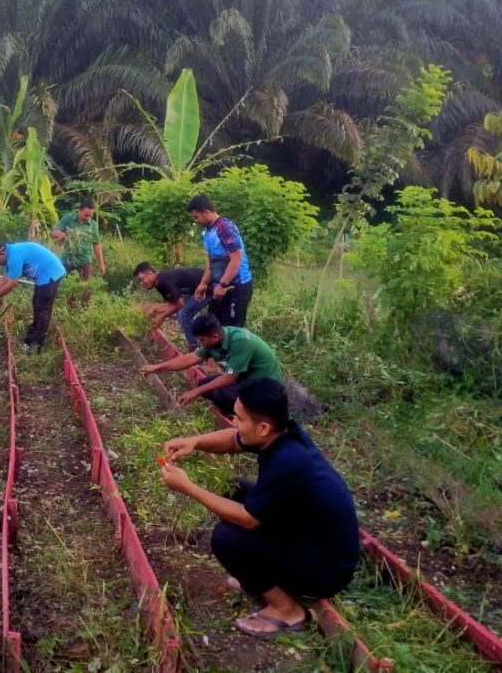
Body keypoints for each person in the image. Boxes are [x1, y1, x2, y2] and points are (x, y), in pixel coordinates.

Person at [159, 378, 359, 639]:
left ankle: (287, 610)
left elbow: (249, 520)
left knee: (226, 538)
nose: (234, 422)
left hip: (325, 569)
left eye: (239, 418)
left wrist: (189, 487)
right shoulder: (283, 433)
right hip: (308, 534)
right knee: (236, 489)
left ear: (263, 427)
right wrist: (194, 441)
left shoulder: (287, 462)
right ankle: (263, 578)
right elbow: (234, 440)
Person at [142, 313, 283, 413]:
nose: (199, 343)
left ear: (215, 336)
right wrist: (157, 367)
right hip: (243, 377)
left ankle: (249, 412)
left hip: (264, 383)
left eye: (202, 340)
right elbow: (189, 359)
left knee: (222, 396)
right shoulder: (213, 342)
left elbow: (229, 378)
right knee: (204, 385)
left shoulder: (241, 341)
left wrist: (195, 392)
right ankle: (238, 405)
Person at [0, 240, 66, 353]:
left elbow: (12, 284)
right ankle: (31, 339)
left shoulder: (14, 256)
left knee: (43, 308)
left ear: (1, 253)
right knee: (36, 303)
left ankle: (37, 345)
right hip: (43, 275)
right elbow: (6, 279)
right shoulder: (10, 254)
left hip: (51, 272)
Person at [187, 195, 253, 328]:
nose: (196, 221)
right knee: (213, 327)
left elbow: (236, 257)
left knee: (231, 330)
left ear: (205, 212)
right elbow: (211, 262)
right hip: (219, 287)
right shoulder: (207, 234)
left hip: (236, 286)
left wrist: (222, 285)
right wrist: (203, 283)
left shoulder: (224, 228)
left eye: (196, 217)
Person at [134, 262, 210, 350]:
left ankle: (195, 348)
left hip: (207, 286)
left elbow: (180, 304)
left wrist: (161, 317)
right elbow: (172, 304)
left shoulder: (163, 281)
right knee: (181, 314)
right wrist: (154, 310)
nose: (141, 283)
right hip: (194, 288)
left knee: (183, 314)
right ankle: (198, 338)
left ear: (149, 274)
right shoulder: (159, 282)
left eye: (141, 279)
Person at [51, 199, 106, 279]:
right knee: (64, 285)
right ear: (79, 211)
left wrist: (101, 263)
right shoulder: (68, 218)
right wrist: (61, 234)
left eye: (91, 216)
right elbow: (54, 233)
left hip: (84, 260)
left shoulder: (93, 225)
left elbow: (96, 243)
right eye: (86, 215)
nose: (88, 218)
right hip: (67, 259)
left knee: (85, 287)